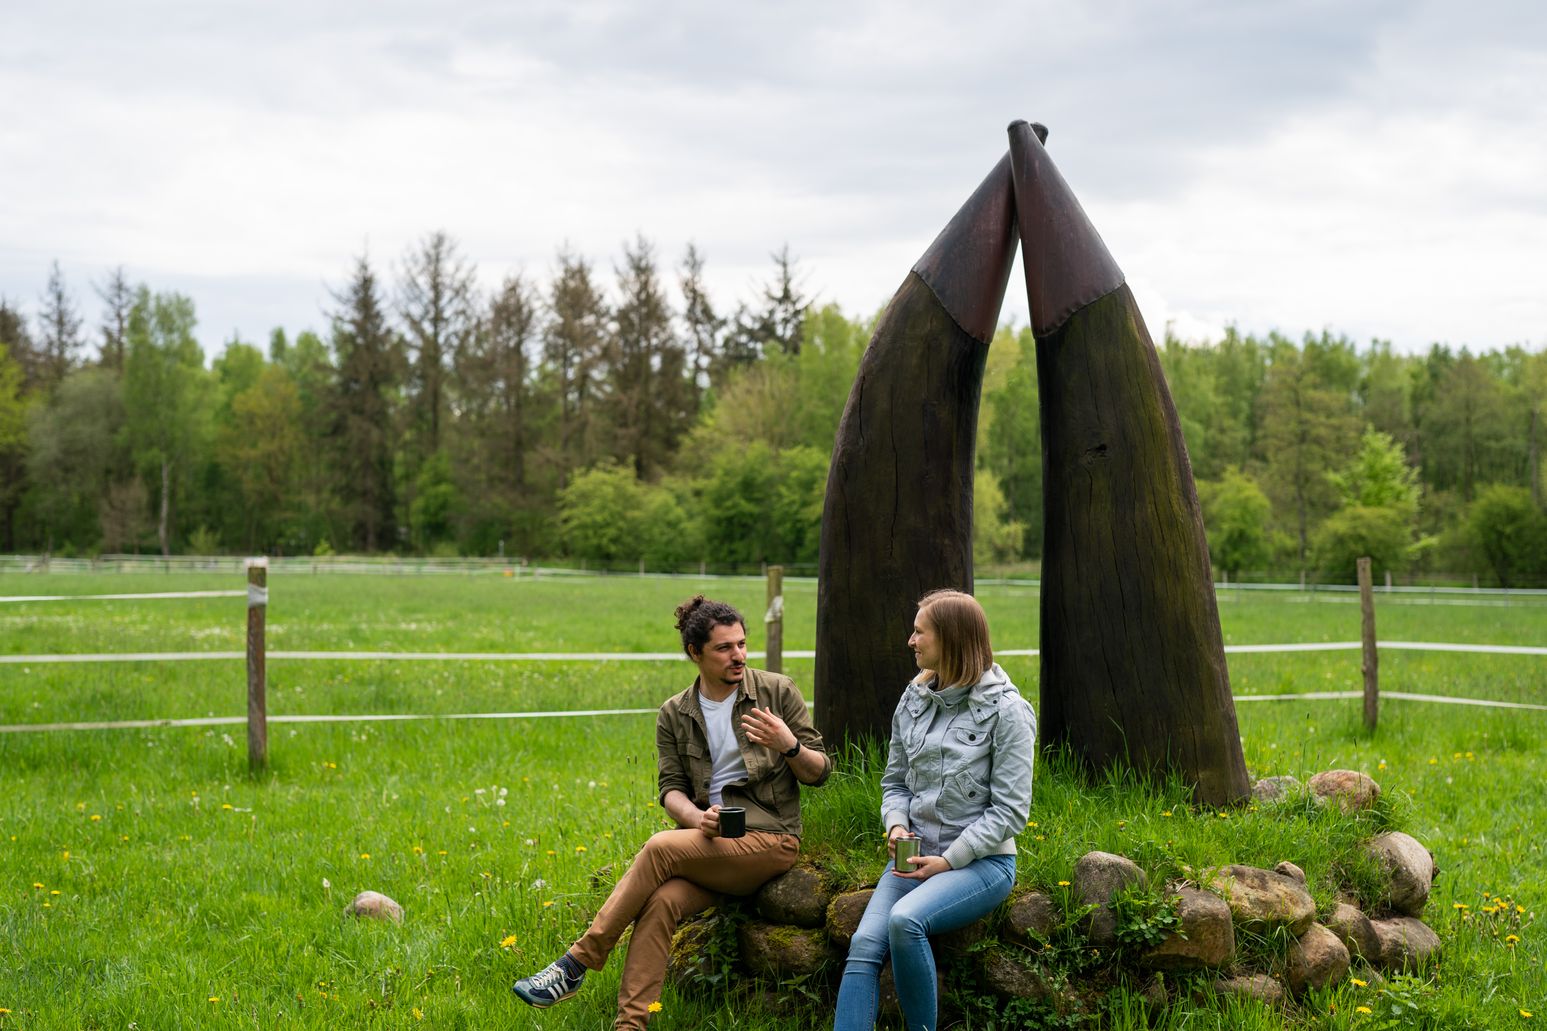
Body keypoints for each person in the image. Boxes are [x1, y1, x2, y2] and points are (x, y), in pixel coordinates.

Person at [514, 595, 832, 1029]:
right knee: (660, 902)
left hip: (771, 840)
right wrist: (695, 819)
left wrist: (787, 744)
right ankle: (631, 1026)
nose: (737, 655)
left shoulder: (777, 691)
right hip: (711, 843)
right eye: (724, 648)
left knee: (660, 848)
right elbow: (671, 790)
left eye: (741, 644)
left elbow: (819, 772)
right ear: (694, 653)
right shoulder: (674, 713)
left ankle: (576, 962)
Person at [833, 589, 1036, 1031]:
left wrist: (947, 861)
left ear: (952, 640)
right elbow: (895, 782)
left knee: (906, 921)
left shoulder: (1008, 712)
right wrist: (897, 826)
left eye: (920, 631)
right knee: (865, 943)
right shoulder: (914, 700)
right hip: (913, 858)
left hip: (983, 864)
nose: (911, 640)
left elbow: (1010, 812)